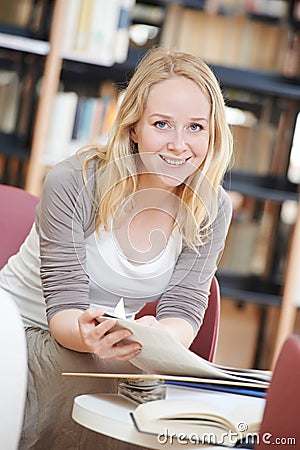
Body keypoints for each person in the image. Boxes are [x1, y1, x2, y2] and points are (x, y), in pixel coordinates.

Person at [0, 46, 233, 449]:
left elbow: (184, 309)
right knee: (102, 385)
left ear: (213, 135)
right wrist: (93, 340)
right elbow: (65, 312)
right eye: (162, 124)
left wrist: (159, 336)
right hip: (22, 331)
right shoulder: (74, 182)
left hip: (102, 344)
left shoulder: (212, 206)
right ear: (133, 127)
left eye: (196, 127)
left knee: (174, 408)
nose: (179, 145)